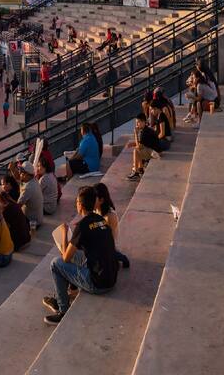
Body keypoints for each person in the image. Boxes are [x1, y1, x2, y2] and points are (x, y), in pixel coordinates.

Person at [44, 186, 119, 324]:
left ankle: (63, 309)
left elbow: (65, 257)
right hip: (111, 277)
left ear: (80, 204)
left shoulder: (83, 225)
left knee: (56, 263)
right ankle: (69, 289)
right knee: (76, 254)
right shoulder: (101, 219)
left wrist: (64, 232)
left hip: (98, 283)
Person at [127, 113, 163, 181]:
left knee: (136, 151)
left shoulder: (145, 132)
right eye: (136, 123)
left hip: (156, 153)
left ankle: (136, 172)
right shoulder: (146, 129)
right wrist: (133, 143)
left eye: (138, 122)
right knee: (138, 149)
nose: (137, 125)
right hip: (154, 151)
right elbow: (143, 144)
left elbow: (139, 147)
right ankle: (140, 169)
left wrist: (135, 134)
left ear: (143, 122)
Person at [13, 164, 44, 228]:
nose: (20, 174)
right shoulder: (34, 180)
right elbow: (20, 183)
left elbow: (18, 205)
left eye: (21, 172)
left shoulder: (28, 187)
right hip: (38, 218)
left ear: (26, 175)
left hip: (32, 222)